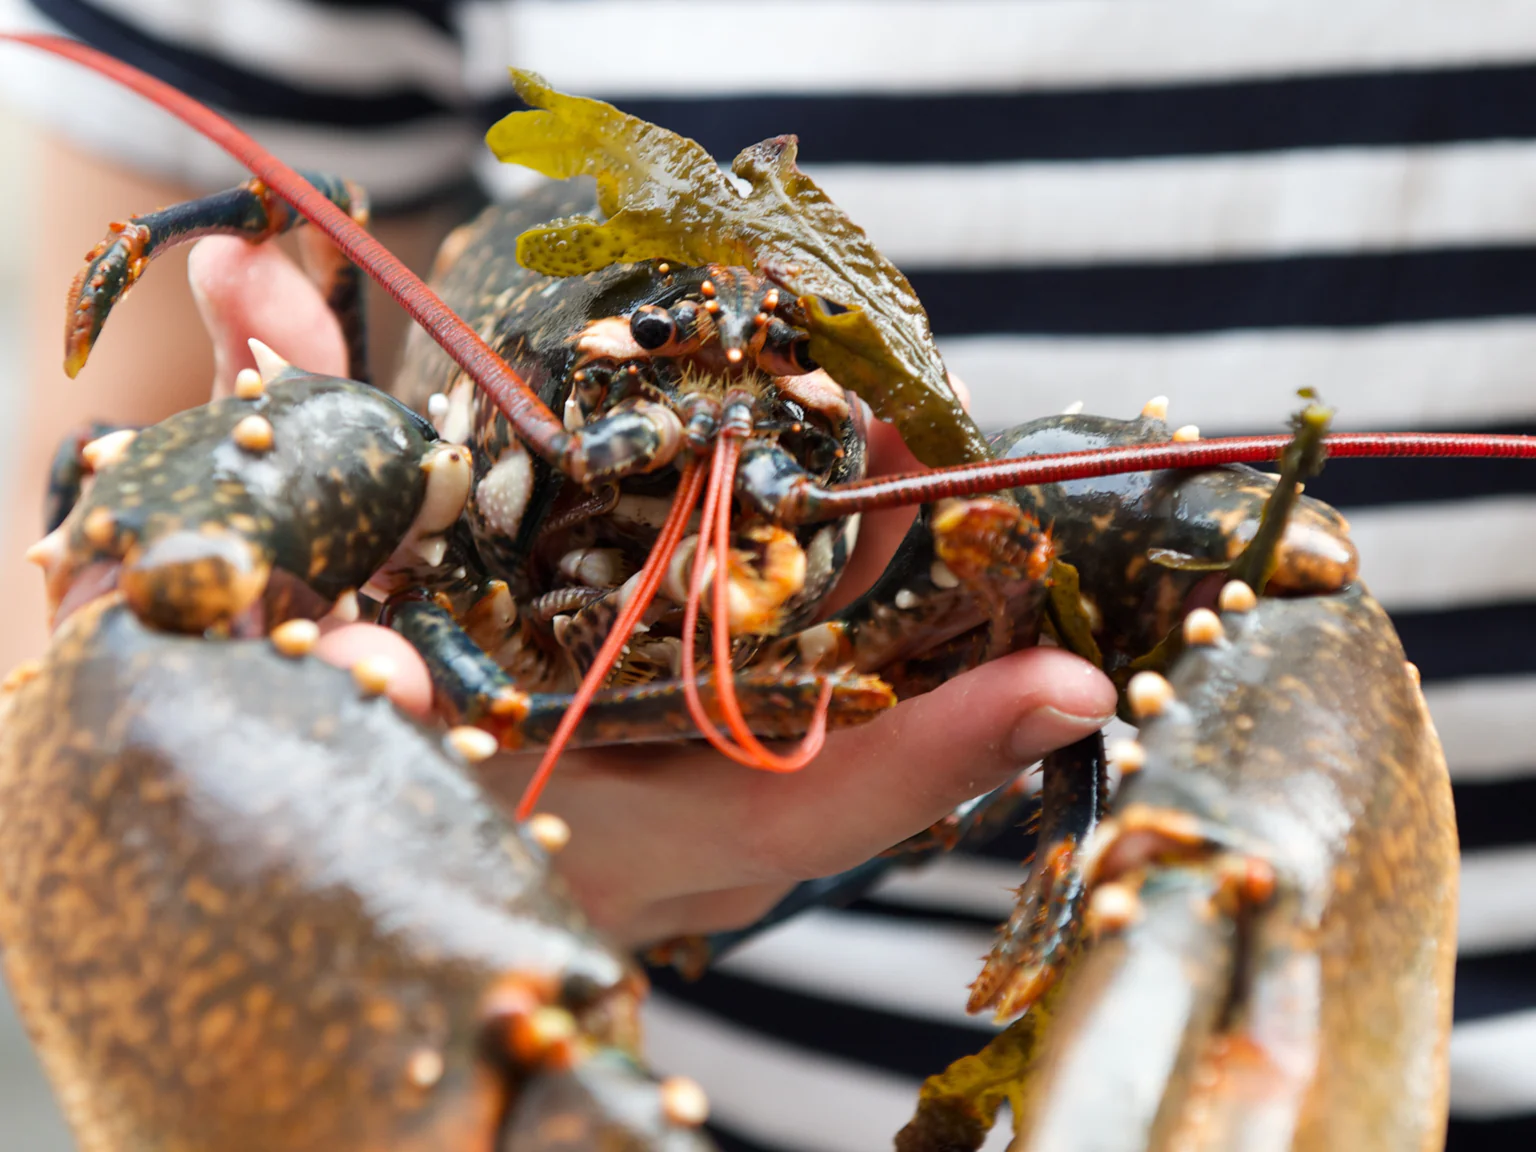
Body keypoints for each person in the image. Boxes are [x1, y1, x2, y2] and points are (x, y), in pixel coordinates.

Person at [1, 3, 1533, 1150]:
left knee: (1261, 558)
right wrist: (345, 815)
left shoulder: (934, 518)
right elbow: (92, 500)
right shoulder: (434, 465)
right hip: (493, 1076)